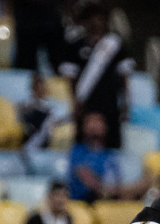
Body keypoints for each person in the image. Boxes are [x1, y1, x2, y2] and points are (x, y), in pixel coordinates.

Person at [58, 1, 134, 149]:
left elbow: (125, 77)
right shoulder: (75, 46)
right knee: (83, 144)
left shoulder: (115, 45)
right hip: (86, 104)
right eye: (91, 19)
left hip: (110, 103)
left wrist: (126, 105)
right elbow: (71, 79)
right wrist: (74, 104)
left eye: (99, 18)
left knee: (111, 144)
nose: (96, 23)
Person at [68, 111, 122, 202]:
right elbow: (88, 181)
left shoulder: (110, 155)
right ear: (83, 128)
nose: (95, 125)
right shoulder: (77, 151)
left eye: (99, 121)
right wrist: (118, 191)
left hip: (110, 200)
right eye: (90, 121)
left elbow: (117, 180)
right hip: (85, 202)